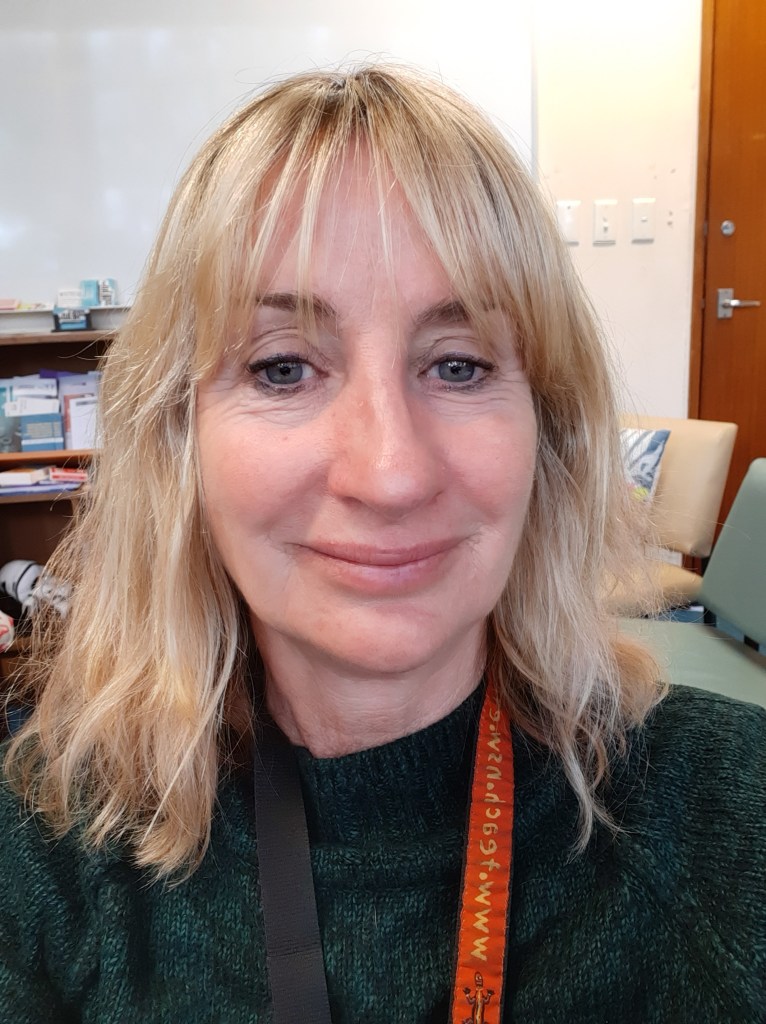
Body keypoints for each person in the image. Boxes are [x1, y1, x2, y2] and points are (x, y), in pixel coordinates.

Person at [1, 64, 764, 1024]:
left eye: (457, 364)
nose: (391, 472)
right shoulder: (47, 844)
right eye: (283, 369)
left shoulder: (734, 817)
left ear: (549, 432)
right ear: (175, 438)